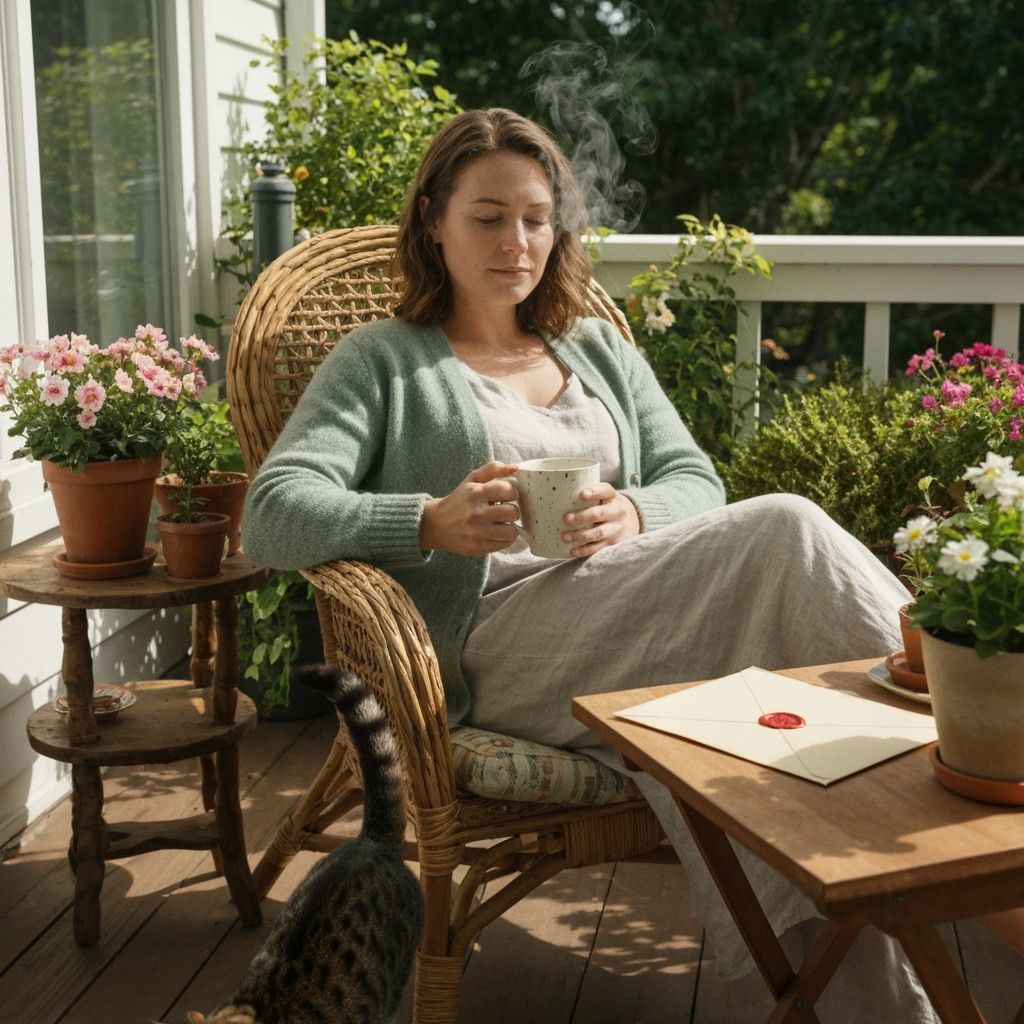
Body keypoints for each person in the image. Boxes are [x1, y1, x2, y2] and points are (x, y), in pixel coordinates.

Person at [242, 108, 991, 1020]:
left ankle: (864, 997)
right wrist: (429, 521)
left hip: (630, 625)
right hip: (497, 650)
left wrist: (635, 509)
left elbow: (696, 480)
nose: (515, 240)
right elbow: (272, 514)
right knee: (785, 532)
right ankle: (967, 698)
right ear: (433, 219)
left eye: (535, 216)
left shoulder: (595, 347)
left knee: (781, 749)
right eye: (487, 216)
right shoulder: (383, 361)